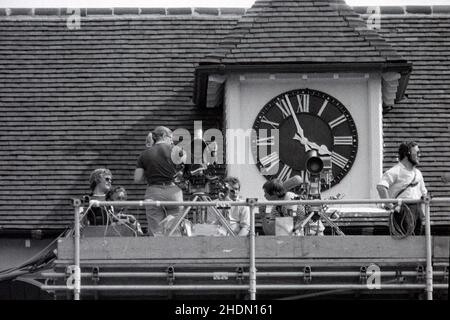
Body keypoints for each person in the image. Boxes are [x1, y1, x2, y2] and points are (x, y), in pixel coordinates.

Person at [134, 126, 184, 236]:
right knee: (174, 228)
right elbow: (184, 169)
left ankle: (157, 251)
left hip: (153, 192)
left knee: (156, 230)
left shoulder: (145, 154)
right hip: (173, 192)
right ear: (164, 136)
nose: (171, 141)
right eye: (170, 138)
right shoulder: (175, 150)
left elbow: (137, 178)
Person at [377, 141, 427, 235]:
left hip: (417, 210)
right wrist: (391, 206)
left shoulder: (418, 173)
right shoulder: (396, 171)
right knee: (406, 241)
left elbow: (424, 193)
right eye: (417, 153)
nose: (419, 155)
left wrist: (423, 212)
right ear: (407, 154)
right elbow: (381, 187)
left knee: (417, 241)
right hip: (403, 209)